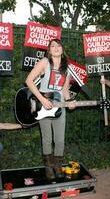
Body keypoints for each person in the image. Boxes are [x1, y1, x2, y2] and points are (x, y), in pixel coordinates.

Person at [25, 39, 76, 180]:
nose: (56, 47)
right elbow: (29, 80)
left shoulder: (68, 68)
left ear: (62, 49)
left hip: (59, 108)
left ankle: (57, 166)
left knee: (59, 140)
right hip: (43, 107)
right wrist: (42, 100)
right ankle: (48, 167)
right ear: (49, 50)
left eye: (58, 45)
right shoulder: (44, 62)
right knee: (47, 139)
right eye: (52, 46)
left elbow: (65, 91)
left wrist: (70, 102)